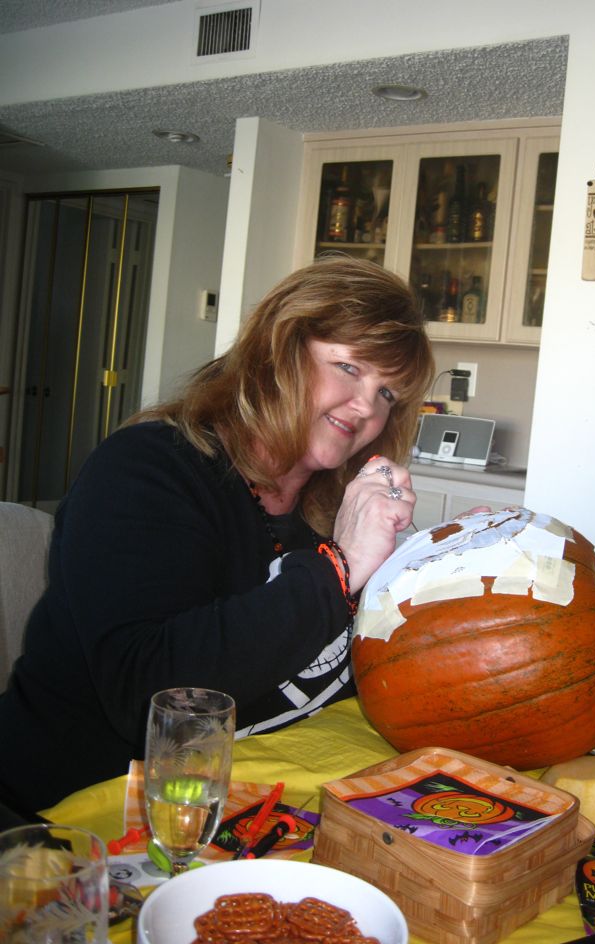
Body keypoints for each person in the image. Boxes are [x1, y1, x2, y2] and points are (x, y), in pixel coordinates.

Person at [0, 255, 434, 816]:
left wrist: (444, 578)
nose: (365, 407)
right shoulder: (146, 470)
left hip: (244, 808)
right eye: (350, 368)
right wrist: (340, 567)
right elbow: (152, 695)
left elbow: (342, 671)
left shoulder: (329, 510)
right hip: (70, 811)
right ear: (278, 351)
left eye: (387, 395)